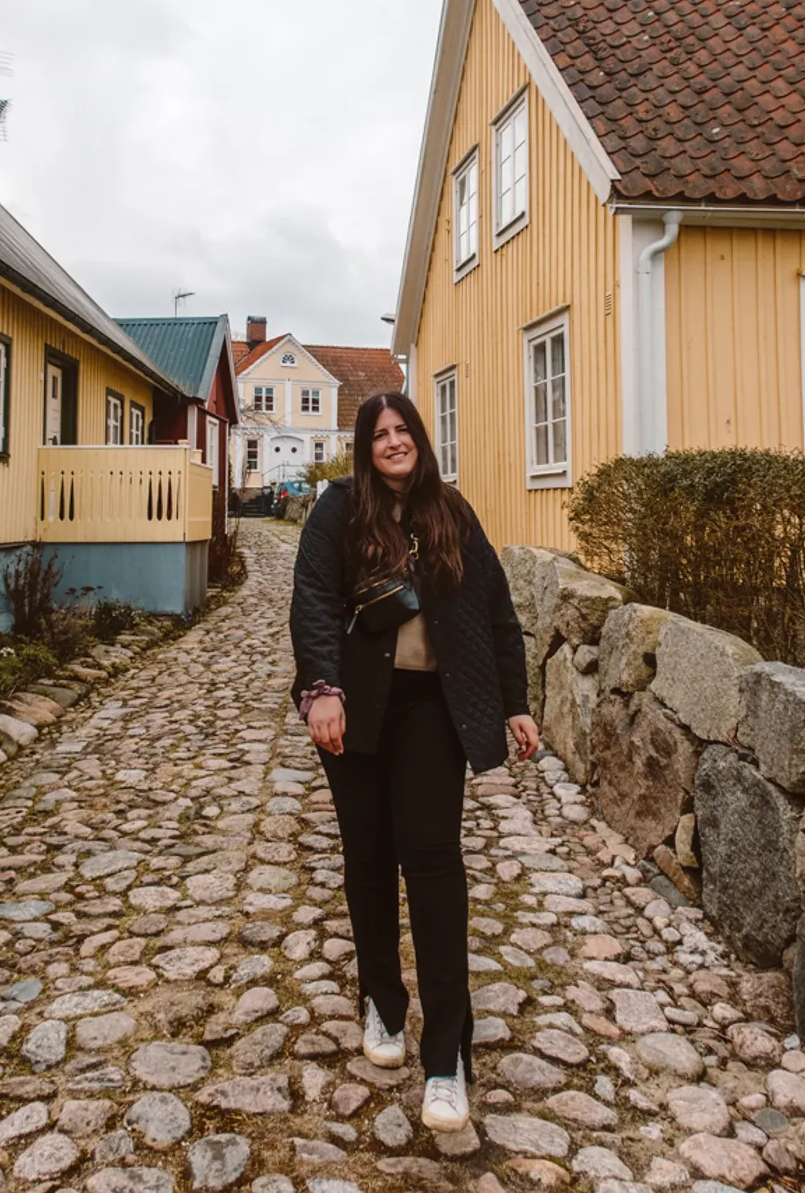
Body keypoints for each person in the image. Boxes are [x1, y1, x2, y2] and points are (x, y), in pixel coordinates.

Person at [289, 391, 539, 1133]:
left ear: (420, 440)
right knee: (368, 862)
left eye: (403, 430)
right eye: (380, 434)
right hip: (357, 709)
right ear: (364, 447)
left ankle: (446, 1058)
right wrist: (320, 690)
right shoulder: (339, 510)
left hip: (434, 709)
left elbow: (496, 612)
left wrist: (515, 702)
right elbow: (311, 600)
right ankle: (382, 1003)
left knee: (433, 864)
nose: (394, 442)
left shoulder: (451, 511)